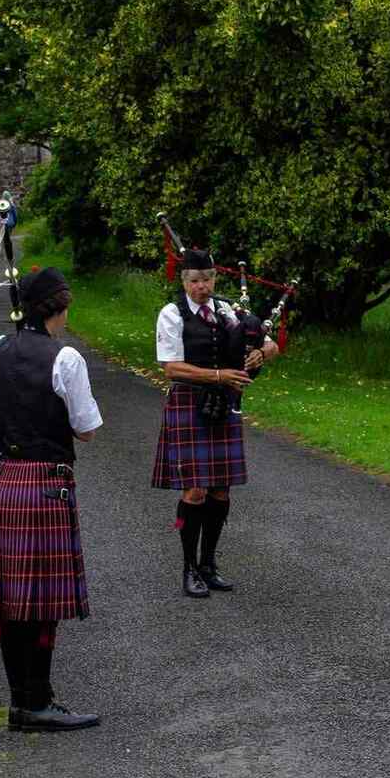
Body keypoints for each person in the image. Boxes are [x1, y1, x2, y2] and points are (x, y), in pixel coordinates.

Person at [0, 267, 104, 730]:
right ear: (58, 308)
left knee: (13, 601)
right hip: (47, 483)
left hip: (8, 481)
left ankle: (20, 703)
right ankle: (37, 703)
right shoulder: (66, 358)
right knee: (43, 604)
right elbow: (86, 429)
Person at [152, 248, 279, 597]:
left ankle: (208, 564)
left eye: (207, 280)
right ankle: (189, 568)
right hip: (189, 402)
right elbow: (171, 368)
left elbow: (270, 345)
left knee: (221, 489)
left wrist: (261, 352)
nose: (202, 287)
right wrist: (220, 375)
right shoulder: (172, 314)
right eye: (195, 281)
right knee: (195, 490)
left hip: (223, 403)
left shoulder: (228, 310)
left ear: (214, 278)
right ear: (184, 281)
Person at [0, 189, 18, 264]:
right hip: (10, 223)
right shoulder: (11, 204)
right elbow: (15, 215)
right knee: (8, 238)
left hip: (3, 223)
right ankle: (9, 254)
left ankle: (6, 254)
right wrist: (15, 223)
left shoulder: (0, 204)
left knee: (5, 239)